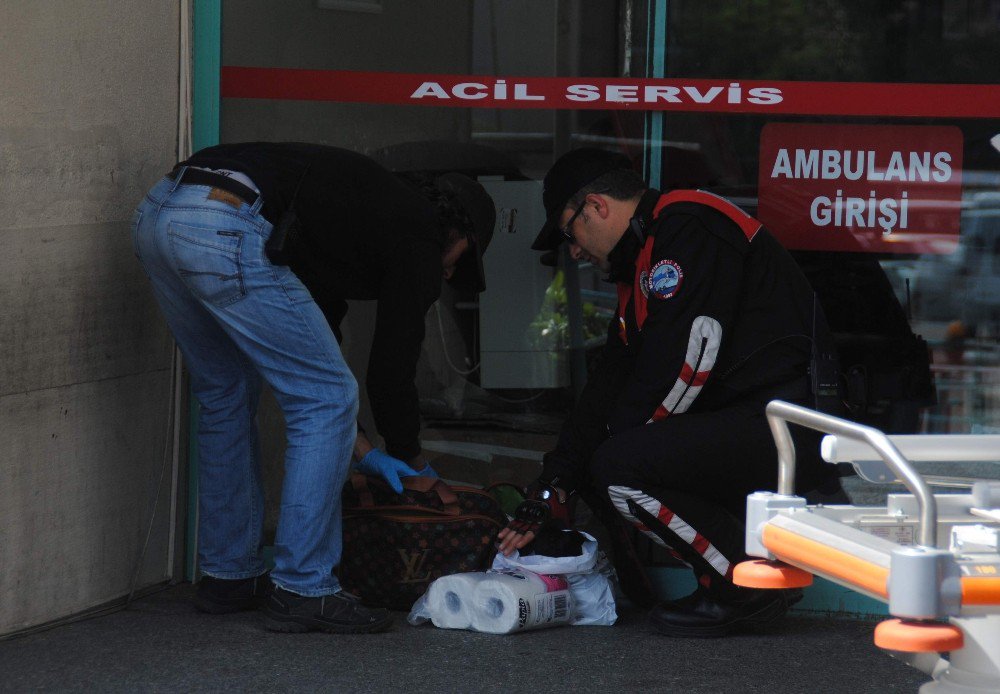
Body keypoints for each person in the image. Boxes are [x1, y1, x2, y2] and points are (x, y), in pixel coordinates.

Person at [131, 142, 495, 634]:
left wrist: (363, 449)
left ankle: (229, 576)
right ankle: (303, 587)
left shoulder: (349, 217)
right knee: (323, 397)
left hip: (161, 212)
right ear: (458, 232)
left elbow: (315, 346)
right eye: (460, 261)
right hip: (226, 220)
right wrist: (411, 461)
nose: (448, 274)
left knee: (226, 393)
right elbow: (387, 372)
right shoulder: (421, 235)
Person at [497, 147, 845, 637]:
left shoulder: (688, 226)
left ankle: (747, 588)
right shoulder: (643, 260)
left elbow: (687, 363)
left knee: (621, 466)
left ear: (597, 207)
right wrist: (554, 485)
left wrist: (615, 453)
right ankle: (743, 575)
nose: (572, 250)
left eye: (567, 231)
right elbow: (608, 387)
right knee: (616, 458)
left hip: (791, 425)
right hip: (755, 421)